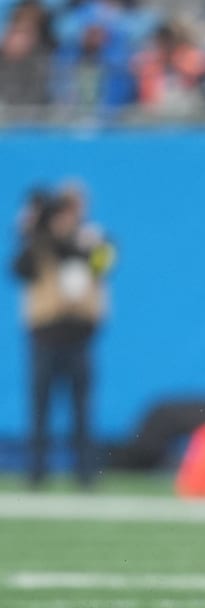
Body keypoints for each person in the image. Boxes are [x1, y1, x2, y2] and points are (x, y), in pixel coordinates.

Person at [12, 181, 115, 490]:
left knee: (82, 409)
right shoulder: (40, 242)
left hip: (79, 335)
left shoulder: (92, 239)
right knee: (40, 409)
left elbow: (103, 265)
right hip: (45, 335)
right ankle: (37, 473)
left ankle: (84, 474)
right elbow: (20, 269)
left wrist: (86, 244)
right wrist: (29, 232)